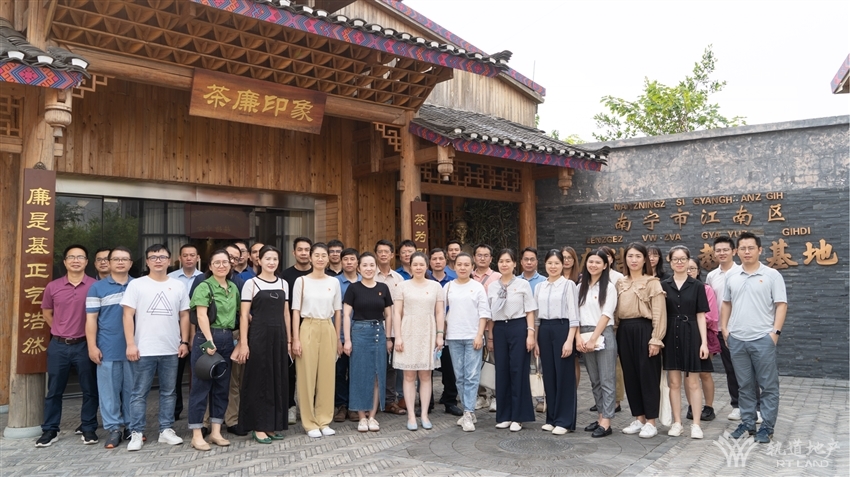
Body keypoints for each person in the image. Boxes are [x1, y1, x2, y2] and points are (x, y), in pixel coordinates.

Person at [121, 244, 190, 451]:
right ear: (147, 261)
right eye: (153, 257)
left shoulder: (178, 285)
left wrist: (184, 341)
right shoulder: (137, 285)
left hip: (170, 348)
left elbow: (184, 315)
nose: (158, 260)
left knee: (169, 392)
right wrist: (130, 344)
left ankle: (166, 430)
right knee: (138, 393)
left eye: (162, 257)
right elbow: (127, 315)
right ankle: (136, 432)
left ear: (169, 260)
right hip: (144, 348)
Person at [722, 232, 787, 444]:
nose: (747, 252)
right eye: (743, 248)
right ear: (737, 251)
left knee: (768, 385)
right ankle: (748, 423)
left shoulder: (772, 275)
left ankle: (767, 427)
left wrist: (775, 333)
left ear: (760, 250)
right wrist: (725, 329)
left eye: (751, 248)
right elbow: (726, 303)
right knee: (744, 385)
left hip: (762, 339)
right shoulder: (731, 276)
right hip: (737, 339)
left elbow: (781, 305)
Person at [36, 245, 98, 448]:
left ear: (86, 262)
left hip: (85, 344)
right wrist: (59, 329)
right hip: (59, 345)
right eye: (71, 257)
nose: (75, 260)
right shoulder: (53, 286)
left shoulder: (95, 286)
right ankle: (50, 430)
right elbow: (47, 312)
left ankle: (88, 427)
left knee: (90, 389)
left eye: (80, 257)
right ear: (65, 262)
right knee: (54, 390)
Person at [233, 245, 291, 444]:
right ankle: (258, 427)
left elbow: (286, 314)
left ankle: (272, 425)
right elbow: (243, 316)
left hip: (279, 337)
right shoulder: (251, 283)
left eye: (275, 259)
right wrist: (244, 343)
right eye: (267, 258)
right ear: (259, 260)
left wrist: (289, 340)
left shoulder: (283, 283)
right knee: (259, 380)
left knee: (277, 379)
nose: (271, 262)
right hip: (258, 336)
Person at [187, 249, 239, 451]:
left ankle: (216, 432)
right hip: (206, 338)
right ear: (210, 266)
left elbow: (238, 314)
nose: (221, 266)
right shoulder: (204, 286)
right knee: (200, 388)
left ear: (230, 264)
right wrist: (209, 342)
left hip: (227, 338)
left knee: (222, 388)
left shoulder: (233, 287)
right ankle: (197, 434)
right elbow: (201, 316)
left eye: (225, 262)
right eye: (216, 262)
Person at [291, 242, 343, 438]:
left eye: (324, 255)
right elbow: (295, 311)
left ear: (328, 258)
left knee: (327, 376)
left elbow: (338, 312)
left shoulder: (334, 282)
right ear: (311, 258)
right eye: (317, 255)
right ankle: (309, 422)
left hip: (327, 327)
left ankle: (324, 420)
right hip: (308, 327)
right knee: (306, 376)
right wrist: (295, 339)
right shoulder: (301, 281)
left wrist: (338, 337)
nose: (320, 258)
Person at [706, 236, 760, 422]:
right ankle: (737, 405)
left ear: (734, 251)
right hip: (721, 330)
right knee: (730, 370)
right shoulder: (712, 276)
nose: (722, 253)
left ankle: (756, 407)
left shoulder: (742, 272)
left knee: (747, 370)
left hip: (740, 329)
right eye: (718, 250)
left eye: (725, 250)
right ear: (714, 253)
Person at [660, 246, 712, 439]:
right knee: (674, 382)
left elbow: (701, 315)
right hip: (670, 334)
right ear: (670, 261)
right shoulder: (663, 285)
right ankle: (677, 423)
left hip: (692, 334)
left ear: (689, 260)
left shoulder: (697, 286)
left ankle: (696, 424)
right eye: (676, 259)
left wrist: (704, 343)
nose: (679, 262)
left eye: (683, 259)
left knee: (693, 382)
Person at [85, 246, 134, 449]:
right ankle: (114, 429)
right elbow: (91, 319)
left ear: (131, 263)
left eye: (124, 259)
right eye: (116, 259)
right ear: (109, 262)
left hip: (134, 349)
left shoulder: (139, 285)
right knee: (109, 392)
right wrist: (92, 346)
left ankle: (132, 427)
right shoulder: (97, 288)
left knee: (133, 391)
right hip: (107, 347)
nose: (120, 262)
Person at [616, 243, 666, 439]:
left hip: (645, 330)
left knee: (648, 376)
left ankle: (651, 422)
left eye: (638, 256)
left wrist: (656, 339)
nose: (634, 260)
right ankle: (639, 418)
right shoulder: (620, 282)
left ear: (645, 259)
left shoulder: (652, 282)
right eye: (630, 256)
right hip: (624, 330)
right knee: (630, 375)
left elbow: (659, 312)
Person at [393, 252, 445, 431]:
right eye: (415, 264)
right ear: (410, 266)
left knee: (425, 375)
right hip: (407, 331)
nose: (418, 267)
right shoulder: (402, 286)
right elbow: (396, 313)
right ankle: (411, 415)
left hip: (428, 332)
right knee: (408, 376)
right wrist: (398, 336)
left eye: (421, 264)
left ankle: (424, 414)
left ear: (426, 266)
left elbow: (440, 312)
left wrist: (439, 334)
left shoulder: (435, 286)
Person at [342, 252, 393, 432]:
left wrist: (389, 338)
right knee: (359, 374)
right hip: (359, 332)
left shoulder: (383, 288)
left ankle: (372, 416)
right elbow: (346, 315)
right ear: (359, 268)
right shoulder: (353, 288)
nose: (369, 268)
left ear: (376, 267)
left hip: (379, 332)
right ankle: (361, 417)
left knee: (377, 375)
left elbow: (388, 315)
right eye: (365, 265)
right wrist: (347, 340)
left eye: (372, 265)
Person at [487, 249, 537, 432]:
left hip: (518, 327)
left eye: (508, 261)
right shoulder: (493, 287)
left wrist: (530, 334)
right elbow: (490, 314)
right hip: (500, 329)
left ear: (515, 264)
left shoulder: (523, 284)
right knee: (502, 371)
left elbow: (530, 311)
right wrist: (490, 336)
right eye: (501, 261)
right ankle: (504, 415)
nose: (504, 264)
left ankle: (518, 416)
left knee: (518, 370)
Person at [534, 249, 579, 435]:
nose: (553, 267)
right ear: (545, 264)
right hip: (544, 330)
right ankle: (551, 418)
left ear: (563, 265)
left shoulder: (569, 285)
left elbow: (574, 316)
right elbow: (536, 317)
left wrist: (569, 341)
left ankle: (564, 420)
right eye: (550, 263)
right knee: (549, 375)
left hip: (563, 329)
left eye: (557, 263)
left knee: (564, 376)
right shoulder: (539, 287)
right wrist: (536, 341)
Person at [443, 252, 490, 431]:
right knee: (460, 376)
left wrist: (479, 335)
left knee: (471, 376)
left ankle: (468, 413)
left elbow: (484, 313)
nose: (462, 268)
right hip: (454, 336)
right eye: (459, 264)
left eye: (466, 265)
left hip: (472, 336)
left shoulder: (477, 287)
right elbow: (440, 311)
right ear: (454, 266)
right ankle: (467, 410)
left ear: (472, 267)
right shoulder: (448, 287)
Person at [577, 250, 618, 438]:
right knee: (594, 380)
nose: (593, 265)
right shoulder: (580, 287)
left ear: (605, 265)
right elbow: (575, 315)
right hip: (584, 334)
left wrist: (594, 338)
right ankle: (601, 416)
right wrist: (578, 338)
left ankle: (606, 422)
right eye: (590, 261)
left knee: (607, 379)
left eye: (597, 262)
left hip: (603, 334)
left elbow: (607, 314)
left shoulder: (609, 287)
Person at [280, 236, 313, 425]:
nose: (303, 253)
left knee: (311, 370)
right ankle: (290, 407)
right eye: (300, 249)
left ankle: (307, 407)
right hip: (291, 327)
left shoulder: (318, 274)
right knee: (290, 370)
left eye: (307, 249)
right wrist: (291, 336)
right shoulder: (285, 276)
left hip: (313, 326)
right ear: (294, 252)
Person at [168, 243, 203, 421]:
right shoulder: (170, 278)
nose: (189, 258)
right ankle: (175, 411)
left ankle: (197, 412)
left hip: (199, 329)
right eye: (185, 255)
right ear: (179, 258)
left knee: (199, 373)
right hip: (176, 330)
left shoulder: (205, 278)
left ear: (198, 258)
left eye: (192, 255)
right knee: (175, 374)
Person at [373, 239, 406, 416]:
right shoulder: (370, 275)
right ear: (376, 254)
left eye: (387, 252)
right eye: (380, 252)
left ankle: (389, 401)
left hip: (395, 329)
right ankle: (373, 402)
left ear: (392, 255)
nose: (383, 254)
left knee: (392, 367)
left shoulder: (399, 279)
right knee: (374, 366)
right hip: (375, 328)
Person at [685, 258, 719, 423]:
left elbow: (711, 316)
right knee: (687, 373)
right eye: (687, 268)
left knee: (704, 372)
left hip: (703, 334)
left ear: (698, 271)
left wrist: (690, 321)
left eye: (692, 268)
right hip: (684, 335)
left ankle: (709, 407)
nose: (689, 271)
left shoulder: (706, 289)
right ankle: (692, 406)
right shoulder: (677, 289)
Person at [427, 248, 461, 416]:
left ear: (445, 261)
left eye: (441, 258)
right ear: (430, 262)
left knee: (449, 367)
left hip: (449, 329)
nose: (438, 261)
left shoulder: (453, 282)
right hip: (427, 329)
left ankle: (450, 401)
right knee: (426, 368)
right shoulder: (424, 280)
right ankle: (427, 403)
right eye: (434, 259)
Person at [472, 244, 501, 411]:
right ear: (474, 257)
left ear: (491, 258)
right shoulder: (469, 275)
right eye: (479, 255)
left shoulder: (497, 277)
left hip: (492, 326)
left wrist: (490, 334)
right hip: (473, 327)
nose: (482, 258)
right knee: (477, 362)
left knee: (494, 361)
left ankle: (496, 396)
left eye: (486, 255)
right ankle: (481, 396)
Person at [334, 248, 360, 423]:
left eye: (352, 259)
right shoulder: (335, 282)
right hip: (340, 335)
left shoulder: (365, 280)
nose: (349, 262)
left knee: (357, 372)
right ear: (341, 262)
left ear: (357, 262)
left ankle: (354, 406)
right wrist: (337, 338)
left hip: (361, 334)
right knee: (339, 372)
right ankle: (341, 405)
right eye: (346, 259)